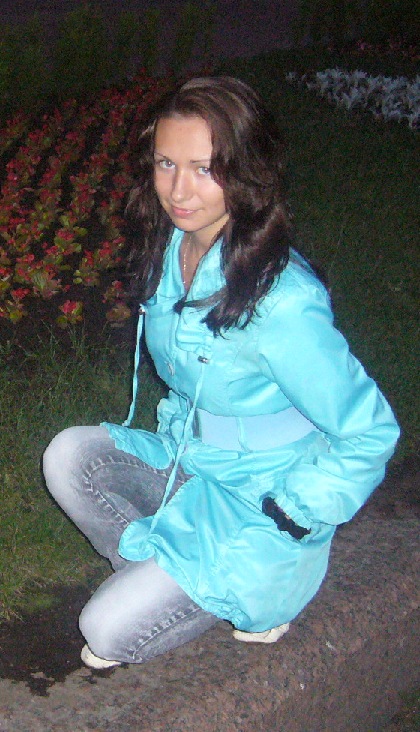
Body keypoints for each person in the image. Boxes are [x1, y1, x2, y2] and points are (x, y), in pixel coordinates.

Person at [43, 76, 400, 670]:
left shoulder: (284, 303)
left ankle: (251, 588)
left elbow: (370, 430)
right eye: (166, 163)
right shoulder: (170, 252)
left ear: (248, 172)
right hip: (195, 464)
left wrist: (295, 511)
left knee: (103, 632)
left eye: (204, 169)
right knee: (68, 456)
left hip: (263, 501)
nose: (178, 191)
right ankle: (167, 570)